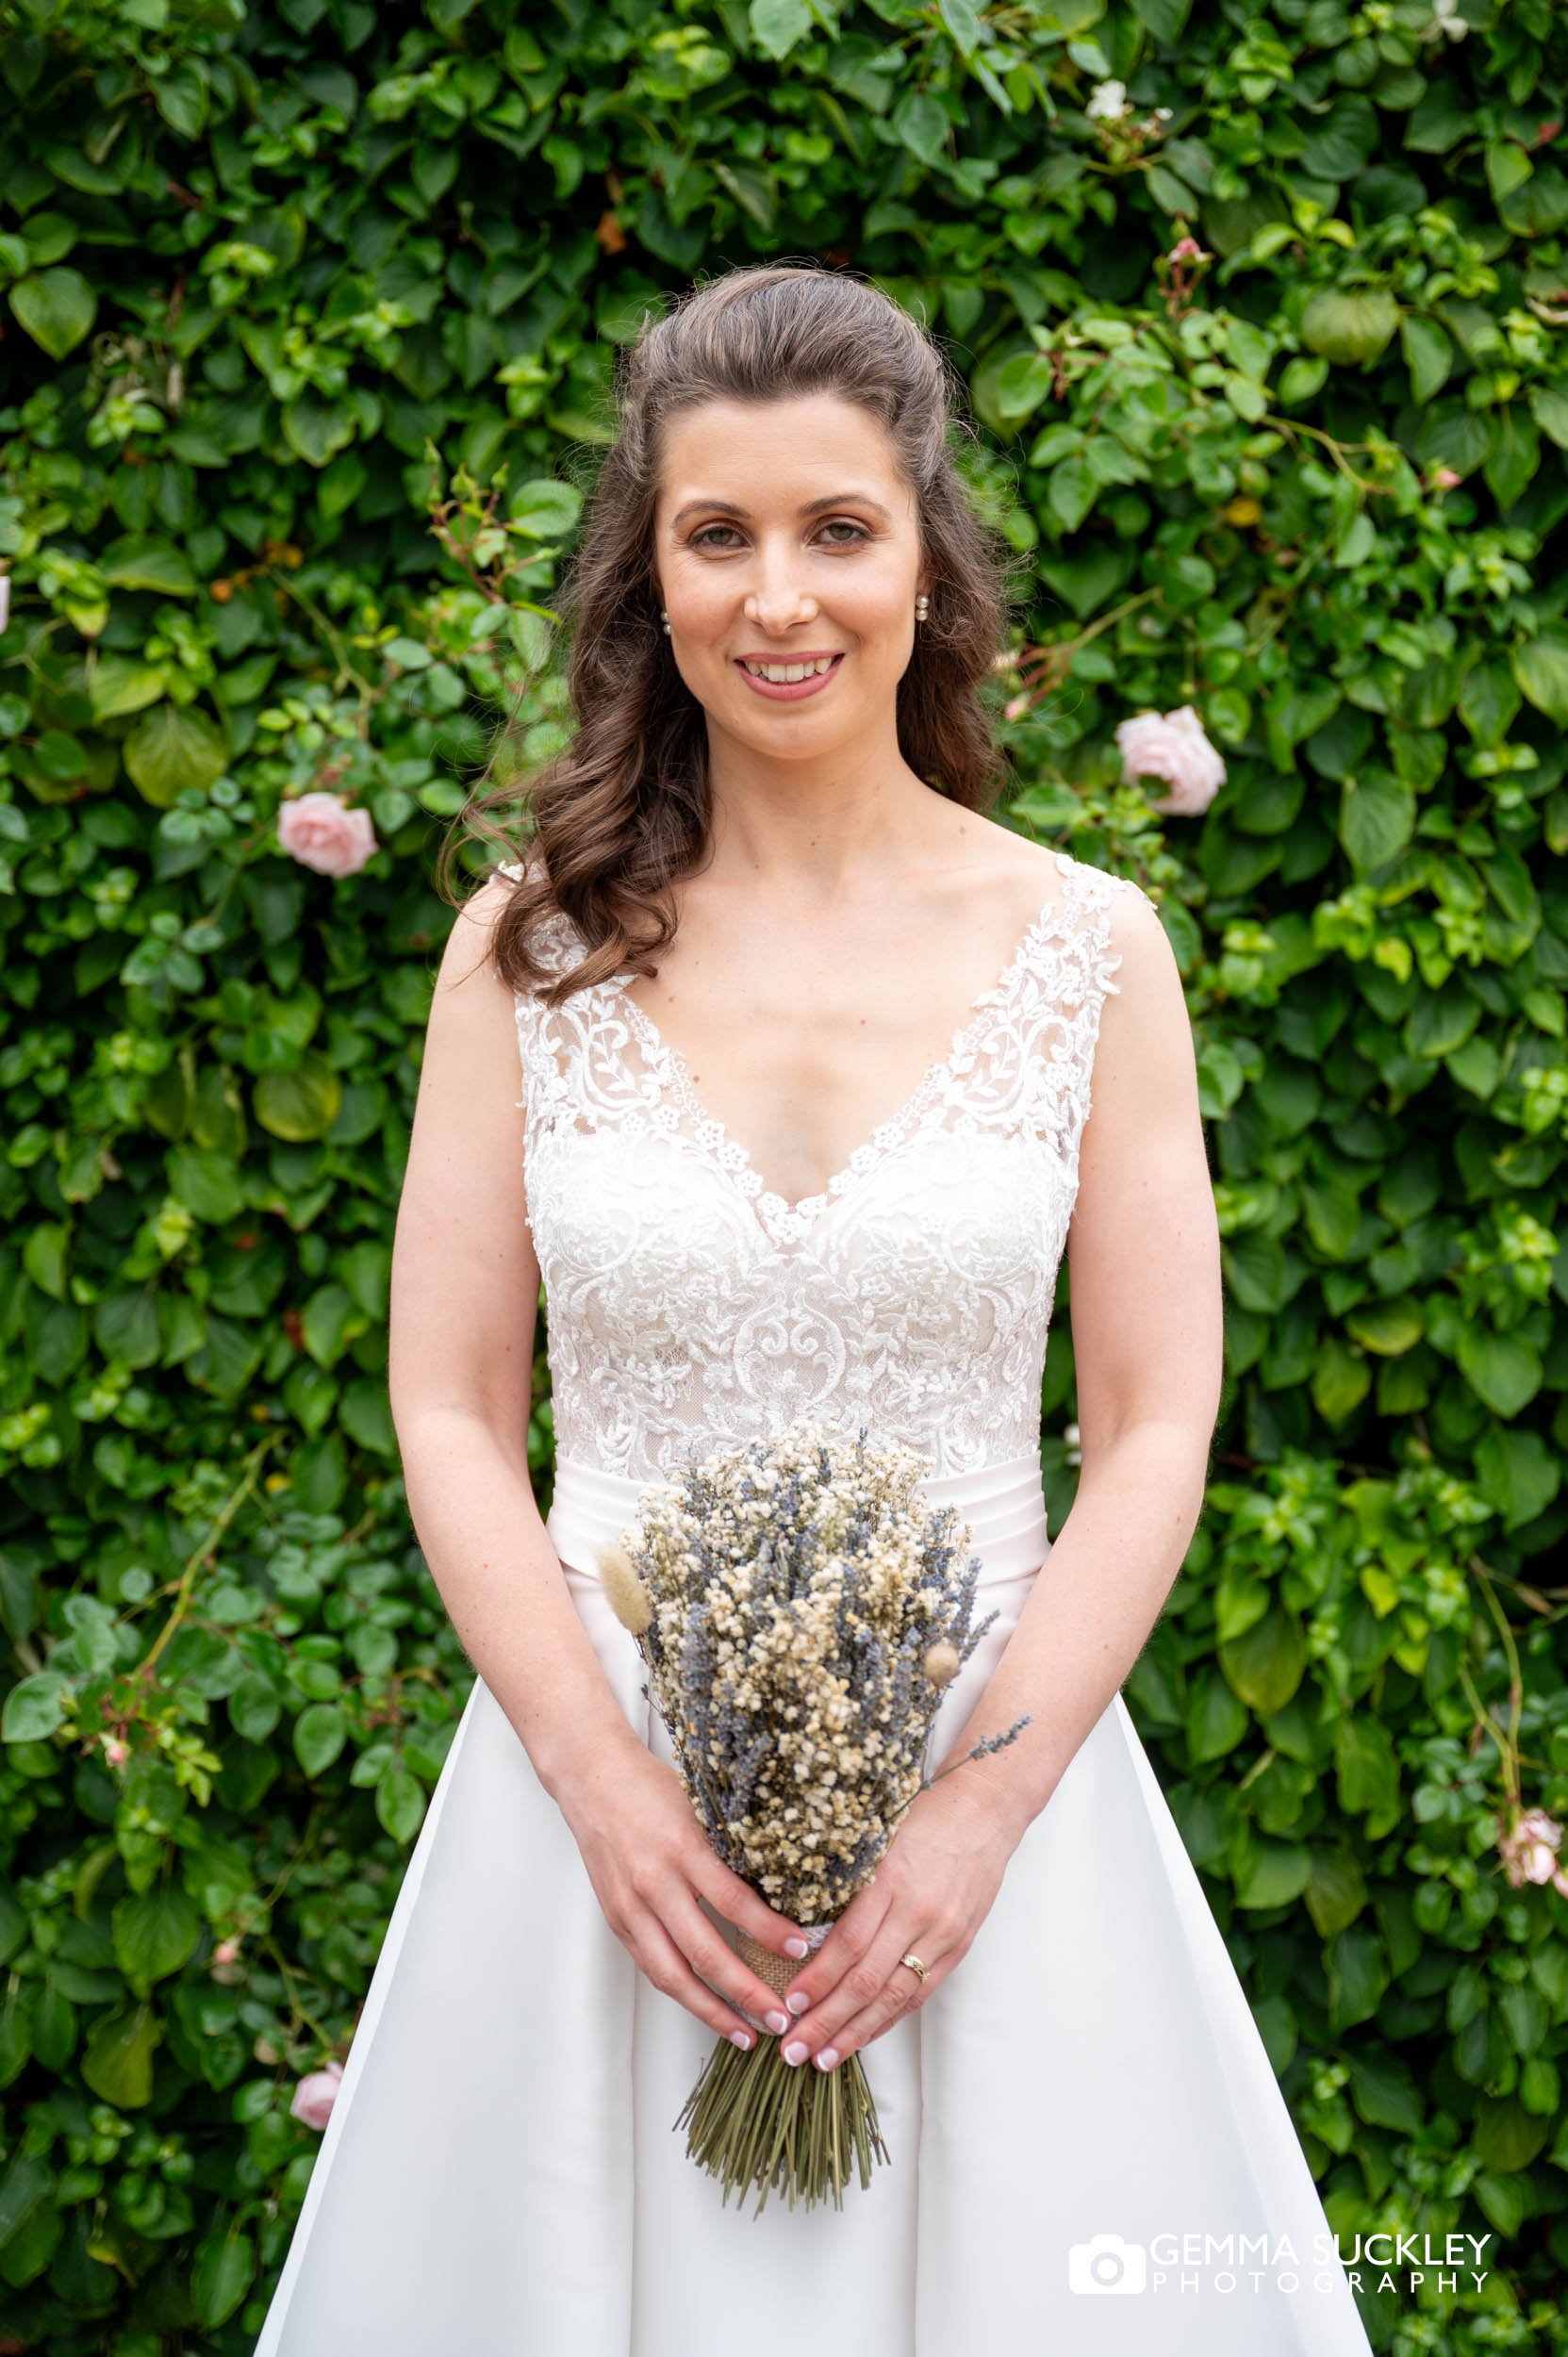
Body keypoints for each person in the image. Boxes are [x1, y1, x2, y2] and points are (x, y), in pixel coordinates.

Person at [252, 262, 1375, 2355]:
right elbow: (446, 1402)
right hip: (593, 1833)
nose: (780, 597)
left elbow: (1147, 1420)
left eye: (836, 530)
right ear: (647, 577)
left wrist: (976, 1812)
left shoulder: (1090, 949)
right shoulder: (528, 950)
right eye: (717, 534)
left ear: (928, 566)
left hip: (996, 1823)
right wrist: (594, 1778)